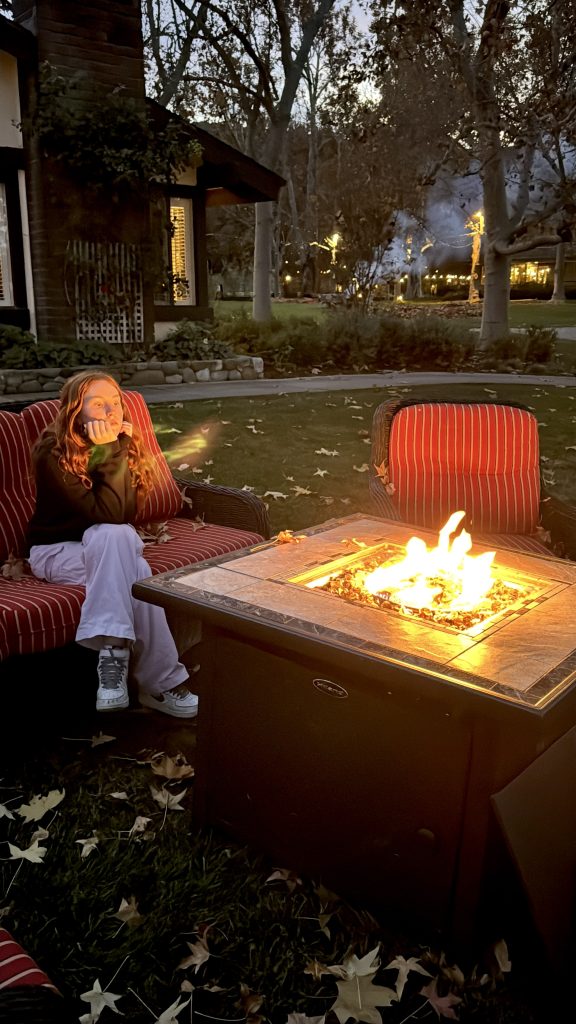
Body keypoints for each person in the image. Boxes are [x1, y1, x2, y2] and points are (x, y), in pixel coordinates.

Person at [26, 370, 198, 718]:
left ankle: (114, 660)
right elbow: (107, 515)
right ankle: (159, 684)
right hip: (56, 552)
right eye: (98, 404)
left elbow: (123, 514)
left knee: (119, 544)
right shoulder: (53, 452)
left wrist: (114, 450)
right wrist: (108, 450)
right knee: (125, 553)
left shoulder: (122, 446)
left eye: (116, 403)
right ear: (76, 411)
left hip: (109, 548)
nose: (111, 412)